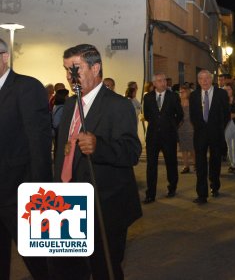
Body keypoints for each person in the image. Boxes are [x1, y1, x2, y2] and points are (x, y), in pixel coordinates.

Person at [52, 44, 142, 280]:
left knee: (105, 268)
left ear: (96, 68)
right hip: (66, 202)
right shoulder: (71, 104)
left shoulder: (117, 105)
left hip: (104, 205)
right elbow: (63, 152)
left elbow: (132, 151)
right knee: (70, 269)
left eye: (76, 69)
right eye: (66, 70)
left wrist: (99, 146)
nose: (70, 77)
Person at [0, 38, 52, 280]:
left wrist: (39, 192)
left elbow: (39, 143)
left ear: (4, 57)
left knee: (39, 261)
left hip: (20, 193)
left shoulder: (26, 87)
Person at [190, 70, 230, 204]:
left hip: (216, 134)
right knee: (200, 164)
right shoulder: (194, 95)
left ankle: (215, 185)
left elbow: (226, 115)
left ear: (211, 79)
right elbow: (193, 115)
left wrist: (219, 129)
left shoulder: (221, 94)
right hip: (200, 134)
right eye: (201, 79)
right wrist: (200, 127)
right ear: (198, 81)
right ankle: (202, 194)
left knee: (215, 162)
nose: (204, 81)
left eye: (207, 78)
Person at [143, 73, 184, 203]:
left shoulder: (173, 96)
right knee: (151, 166)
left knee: (171, 163)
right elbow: (148, 115)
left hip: (169, 136)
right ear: (154, 83)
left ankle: (172, 187)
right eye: (160, 81)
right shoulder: (148, 97)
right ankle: (151, 193)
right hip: (153, 137)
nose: (163, 83)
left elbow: (180, 115)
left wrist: (171, 125)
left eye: (165, 80)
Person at [178, 85, 196, 174]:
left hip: (191, 126)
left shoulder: (192, 102)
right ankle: (186, 166)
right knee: (183, 148)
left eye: (183, 92)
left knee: (192, 147)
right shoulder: (178, 103)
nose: (181, 93)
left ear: (187, 92)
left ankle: (195, 164)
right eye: (180, 92)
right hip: (181, 128)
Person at [223, 85, 235, 174]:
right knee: (229, 145)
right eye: (225, 90)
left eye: (228, 89)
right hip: (227, 124)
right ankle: (232, 164)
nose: (227, 91)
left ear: (232, 90)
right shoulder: (223, 101)